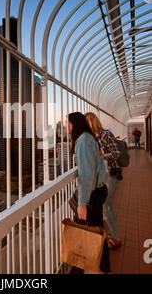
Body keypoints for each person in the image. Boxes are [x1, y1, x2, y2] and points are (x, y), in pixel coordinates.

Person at [66, 112, 110, 274]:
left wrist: (82, 204)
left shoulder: (83, 141)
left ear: (74, 124)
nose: (65, 126)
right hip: (99, 190)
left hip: (92, 195)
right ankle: (105, 268)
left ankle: (79, 270)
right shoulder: (89, 138)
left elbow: (86, 176)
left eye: (67, 122)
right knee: (97, 232)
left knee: (83, 235)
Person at [85, 113, 122, 250]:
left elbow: (116, 153)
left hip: (110, 174)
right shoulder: (91, 138)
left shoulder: (104, 134)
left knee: (106, 204)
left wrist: (101, 156)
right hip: (100, 176)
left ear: (91, 122)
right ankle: (108, 236)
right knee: (103, 205)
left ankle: (115, 236)